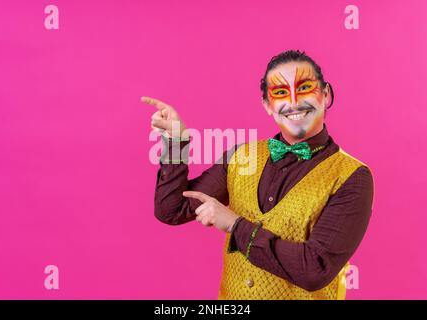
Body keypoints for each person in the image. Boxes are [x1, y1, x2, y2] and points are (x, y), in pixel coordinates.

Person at [141, 49, 374, 300]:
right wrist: (176, 142)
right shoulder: (241, 156)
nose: (294, 102)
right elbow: (171, 210)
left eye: (305, 87)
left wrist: (234, 225)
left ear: (326, 94)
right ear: (267, 105)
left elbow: (315, 269)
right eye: (281, 93)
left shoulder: (353, 177)